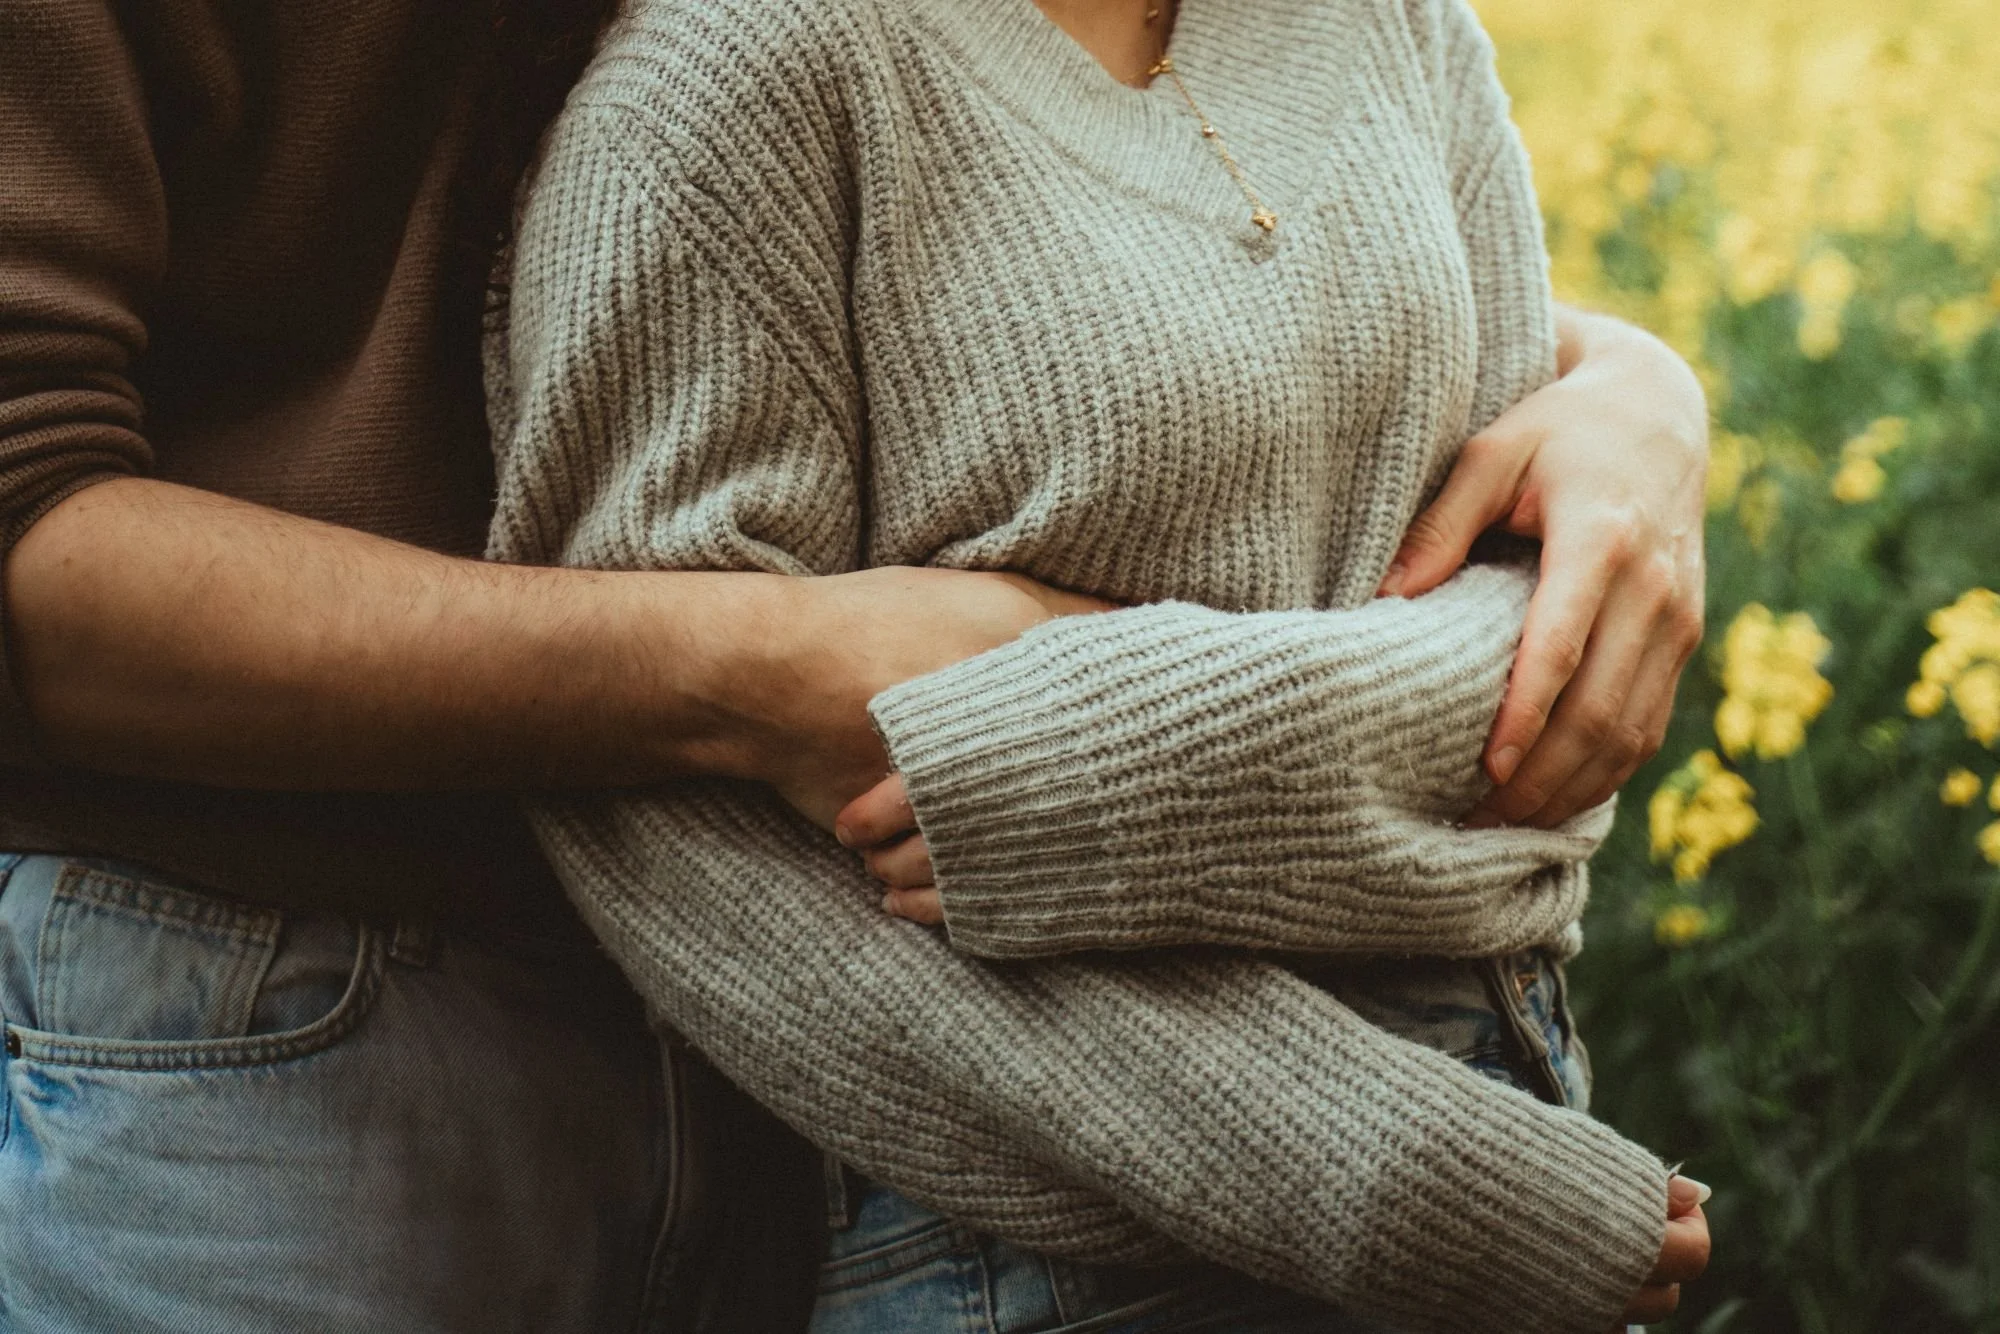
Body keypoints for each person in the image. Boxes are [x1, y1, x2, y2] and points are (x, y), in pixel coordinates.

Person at [0, 1, 1704, 1331]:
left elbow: (1049, 220)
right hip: (300, 1013)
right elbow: (30, 538)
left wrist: (1627, 391)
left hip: (833, 1064)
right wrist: (790, 668)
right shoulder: (723, 73)